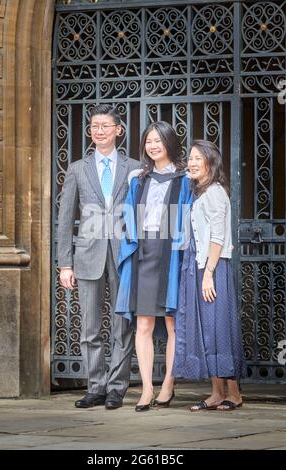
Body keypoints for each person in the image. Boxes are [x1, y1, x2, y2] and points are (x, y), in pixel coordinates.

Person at [58, 104, 140, 410]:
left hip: (124, 255)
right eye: (94, 126)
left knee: (123, 324)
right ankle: (95, 386)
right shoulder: (78, 169)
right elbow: (66, 218)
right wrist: (65, 263)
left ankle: (117, 387)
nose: (99, 131)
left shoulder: (134, 167)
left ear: (118, 130)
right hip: (88, 256)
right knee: (90, 327)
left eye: (106, 126)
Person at [115, 121, 192, 412]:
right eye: (149, 141)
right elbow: (128, 215)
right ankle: (147, 387)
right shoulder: (139, 179)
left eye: (159, 140)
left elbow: (187, 218)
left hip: (171, 254)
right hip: (144, 253)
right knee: (144, 323)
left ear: (170, 143)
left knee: (172, 322)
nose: (153, 145)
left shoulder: (185, 179)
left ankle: (168, 385)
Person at [173, 139, 247, 411]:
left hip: (211, 267)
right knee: (206, 330)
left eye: (197, 158)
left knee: (219, 328)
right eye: (190, 158)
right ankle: (216, 393)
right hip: (199, 265)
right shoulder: (199, 191)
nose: (191, 163)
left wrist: (209, 274)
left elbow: (217, 237)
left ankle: (234, 393)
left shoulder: (215, 192)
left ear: (210, 163)